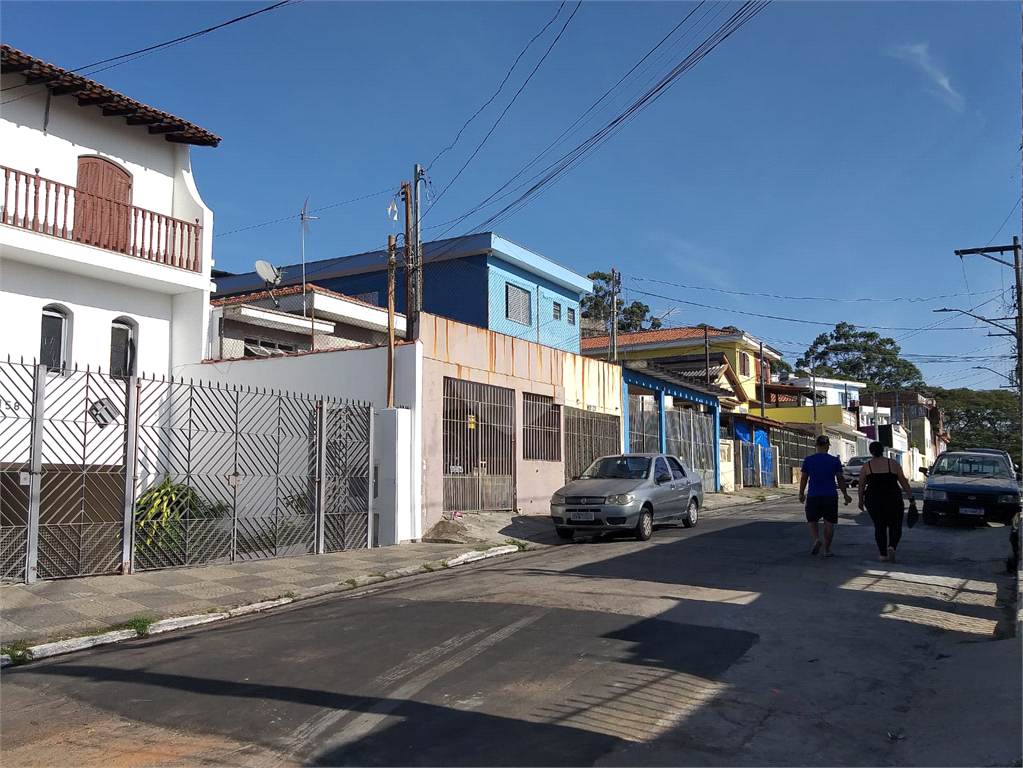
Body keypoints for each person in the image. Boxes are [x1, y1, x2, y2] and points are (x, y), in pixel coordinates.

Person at [857, 441, 915, 563]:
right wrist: (910, 497)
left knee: (880, 526)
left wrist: (860, 500)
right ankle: (892, 546)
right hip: (893, 498)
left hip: (873, 499)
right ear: (883, 450)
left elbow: (861, 484)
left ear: (871, 451)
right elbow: (903, 481)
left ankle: (883, 554)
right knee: (895, 525)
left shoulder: (867, 466)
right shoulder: (893, 464)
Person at [799, 434, 851, 557]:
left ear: (816, 445)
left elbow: (804, 478)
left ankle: (816, 539)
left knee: (811, 520)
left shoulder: (808, 460)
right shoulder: (834, 461)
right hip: (830, 495)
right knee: (829, 522)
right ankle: (826, 550)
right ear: (828, 446)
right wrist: (845, 494)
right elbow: (840, 478)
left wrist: (801, 493)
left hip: (813, 495)